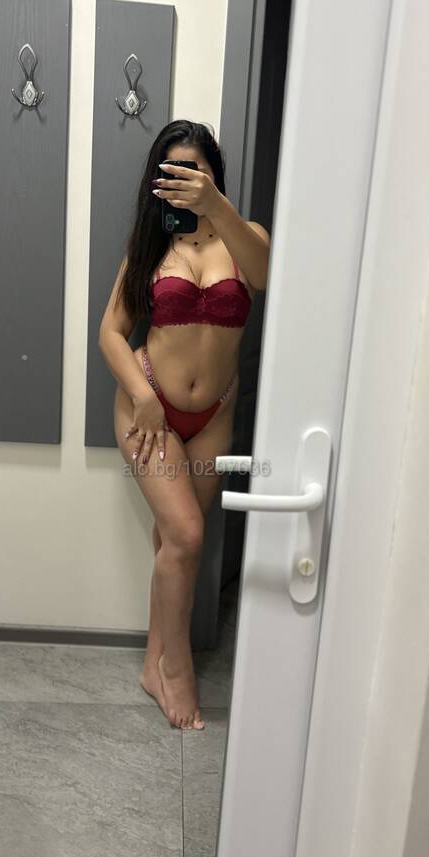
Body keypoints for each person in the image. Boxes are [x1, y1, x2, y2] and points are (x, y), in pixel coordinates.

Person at [99, 120, 271, 731]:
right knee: (189, 537)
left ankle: (154, 662)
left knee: (175, 544)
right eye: (169, 171)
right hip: (149, 411)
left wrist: (214, 206)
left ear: (213, 176)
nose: (182, 181)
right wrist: (143, 396)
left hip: (213, 415)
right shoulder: (150, 248)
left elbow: (265, 274)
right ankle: (177, 669)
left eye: (193, 170)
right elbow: (111, 332)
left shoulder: (246, 237)